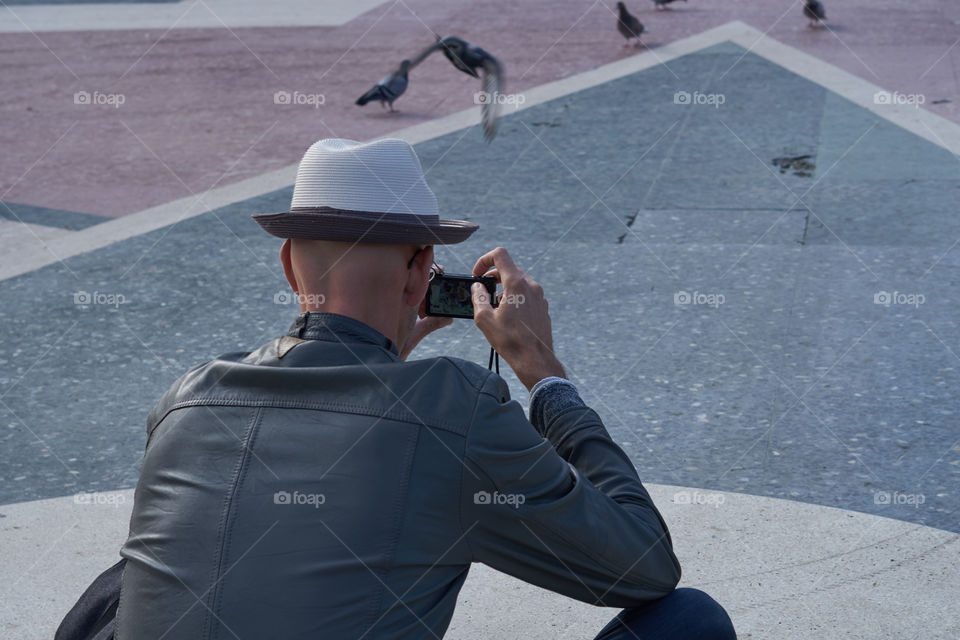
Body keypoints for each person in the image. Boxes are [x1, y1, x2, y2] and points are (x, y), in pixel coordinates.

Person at [115, 138, 736, 639]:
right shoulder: (452, 409)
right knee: (689, 620)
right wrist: (543, 371)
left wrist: (390, 349)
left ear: (286, 266)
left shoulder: (186, 400)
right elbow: (643, 567)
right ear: (421, 270)